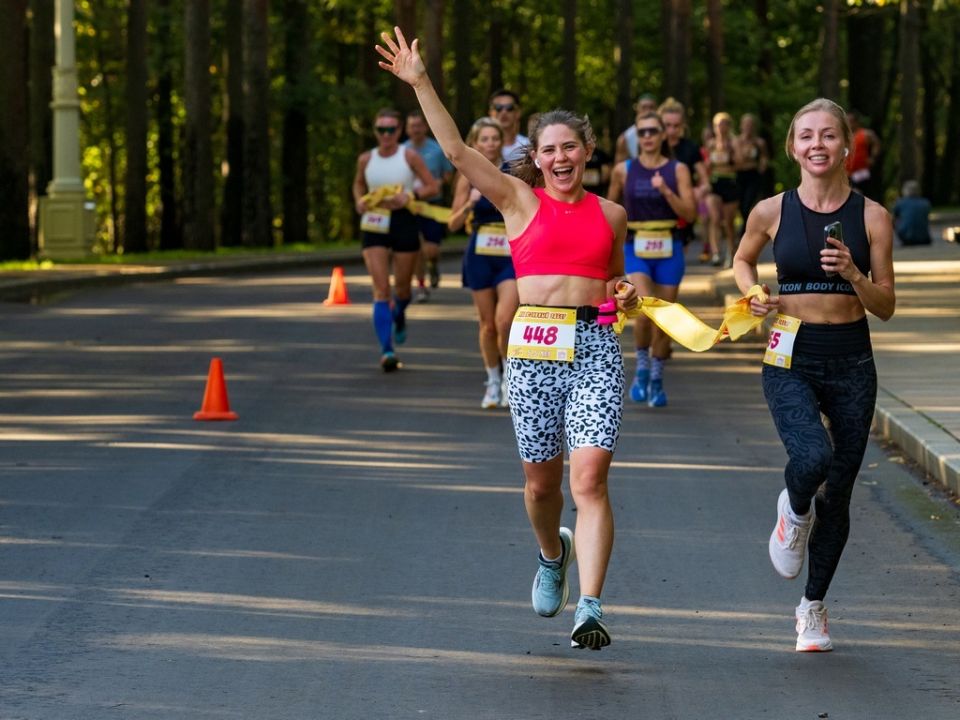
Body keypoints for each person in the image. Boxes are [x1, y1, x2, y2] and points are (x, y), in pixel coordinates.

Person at [377, 27, 638, 650]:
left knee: (590, 480)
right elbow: (459, 153)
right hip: (533, 353)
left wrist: (623, 293)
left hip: (596, 348)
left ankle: (592, 607)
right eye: (550, 150)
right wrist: (420, 82)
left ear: (588, 150)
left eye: (571, 147)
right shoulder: (518, 200)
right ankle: (553, 555)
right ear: (538, 157)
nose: (561, 158)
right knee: (541, 485)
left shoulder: (611, 214)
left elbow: (614, 277)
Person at [733, 98, 895, 652]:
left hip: (852, 358)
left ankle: (812, 609)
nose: (817, 144)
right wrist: (752, 292)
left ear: (846, 145)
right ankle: (793, 510)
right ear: (792, 147)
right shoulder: (770, 210)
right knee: (812, 459)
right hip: (790, 353)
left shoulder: (873, 216)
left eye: (828, 135)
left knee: (842, 493)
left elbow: (886, 305)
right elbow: (742, 259)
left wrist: (854, 271)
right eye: (806, 136)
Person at [607, 112, 696, 407]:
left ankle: (657, 377)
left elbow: (690, 213)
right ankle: (642, 366)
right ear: (637, 136)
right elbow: (608, 209)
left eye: (652, 131)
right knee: (644, 309)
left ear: (662, 136)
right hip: (635, 247)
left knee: (667, 320)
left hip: (669, 247)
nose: (647, 137)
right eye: (642, 131)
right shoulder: (623, 170)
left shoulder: (678, 169)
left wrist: (666, 191)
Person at [352, 108, 439, 371]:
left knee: (402, 289)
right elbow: (357, 184)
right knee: (381, 289)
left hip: (403, 220)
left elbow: (433, 186)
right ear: (375, 131)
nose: (386, 135)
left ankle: (399, 314)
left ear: (399, 131)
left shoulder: (409, 156)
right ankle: (387, 350)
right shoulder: (366, 159)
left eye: (391, 130)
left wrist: (411, 196)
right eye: (381, 130)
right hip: (375, 221)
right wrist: (359, 200)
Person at [447, 117, 518, 408]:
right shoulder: (466, 176)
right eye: (484, 139)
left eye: (495, 138)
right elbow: (452, 224)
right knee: (487, 325)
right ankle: (492, 380)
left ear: (502, 142)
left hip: (510, 256)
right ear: (474, 143)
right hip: (480, 254)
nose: (490, 144)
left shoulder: (514, 173)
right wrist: (469, 204)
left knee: (505, 322)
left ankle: (510, 380)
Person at [404, 109, 454, 301]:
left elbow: (448, 175)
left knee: (431, 250)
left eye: (418, 125)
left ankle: (433, 264)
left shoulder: (436, 149)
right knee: (416, 247)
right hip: (411, 204)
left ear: (424, 127)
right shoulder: (403, 150)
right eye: (412, 126)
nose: (415, 129)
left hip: (433, 204)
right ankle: (421, 287)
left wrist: (438, 184)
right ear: (407, 129)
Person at [658, 98, 708, 248]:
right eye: (667, 125)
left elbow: (705, 181)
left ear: (682, 125)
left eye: (676, 126)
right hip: (655, 204)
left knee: (678, 249)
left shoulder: (690, 148)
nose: (672, 130)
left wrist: (699, 191)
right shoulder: (651, 147)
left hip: (683, 207)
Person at [706, 112, 741, 268]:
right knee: (714, 218)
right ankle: (716, 253)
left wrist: (730, 156)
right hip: (714, 183)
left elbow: (740, 163)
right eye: (717, 125)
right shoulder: (711, 144)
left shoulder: (734, 143)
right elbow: (705, 166)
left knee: (728, 222)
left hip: (730, 182)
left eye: (724, 124)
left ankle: (731, 251)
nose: (721, 128)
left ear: (729, 126)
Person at [734, 113, 769, 235]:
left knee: (748, 203)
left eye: (750, 124)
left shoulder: (759, 142)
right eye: (745, 124)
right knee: (740, 203)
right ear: (741, 126)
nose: (748, 127)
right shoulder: (736, 141)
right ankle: (745, 225)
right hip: (739, 175)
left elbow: (764, 157)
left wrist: (762, 167)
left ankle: (745, 228)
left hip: (753, 175)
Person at [844, 111, 881, 201]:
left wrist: (873, 158)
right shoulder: (845, 136)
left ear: (856, 122)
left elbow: (877, 143)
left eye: (850, 121)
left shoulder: (865, 134)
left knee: (862, 196)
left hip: (861, 171)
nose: (848, 124)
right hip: (846, 173)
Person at [613, 93, 659, 164]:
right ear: (637, 109)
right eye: (644, 107)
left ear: (656, 110)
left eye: (651, 107)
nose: (648, 111)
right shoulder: (625, 138)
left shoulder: (664, 134)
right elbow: (620, 169)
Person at [489, 89, 529, 163]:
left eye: (509, 108)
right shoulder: (481, 148)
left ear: (518, 112)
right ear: (491, 113)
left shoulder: (528, 146)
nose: (504, 112)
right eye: (498, 108)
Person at [892, 180, 932, 246]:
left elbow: (893, 218)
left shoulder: (900, 203)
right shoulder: (926, 203)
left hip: (906, 238)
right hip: (924, 238)